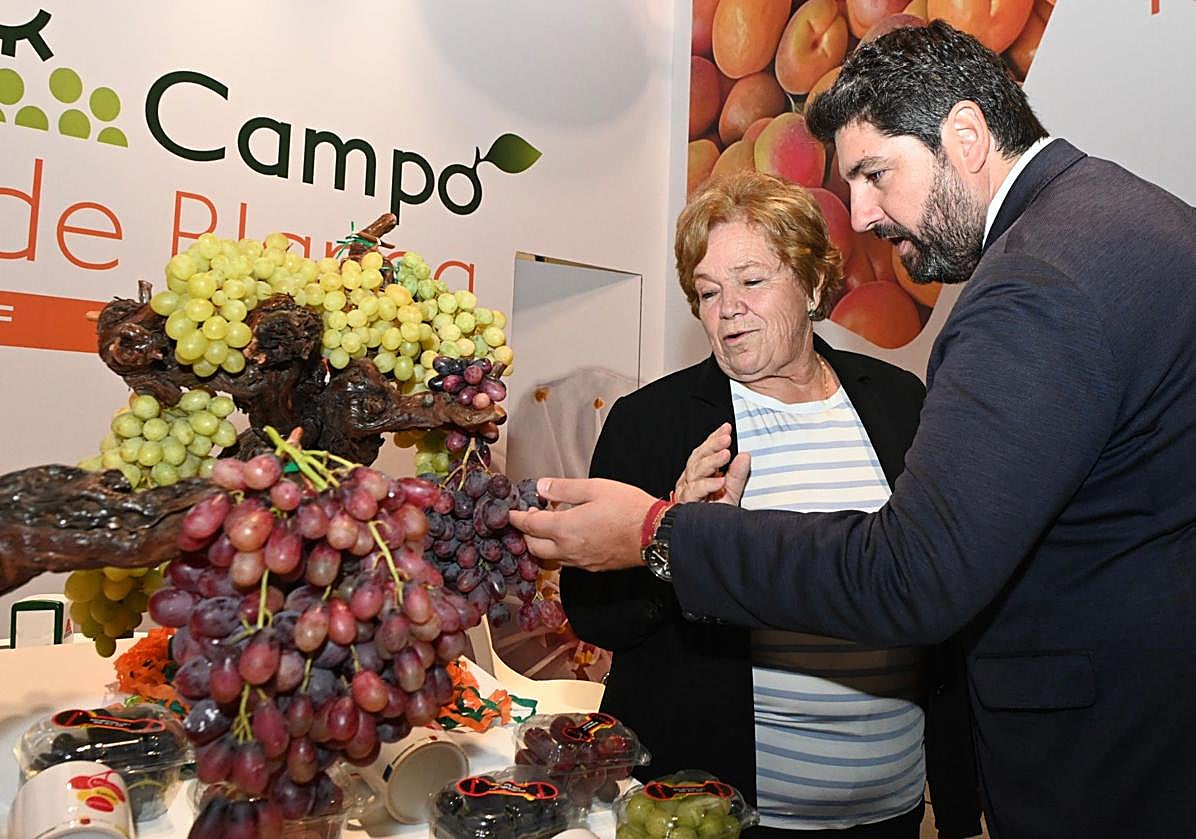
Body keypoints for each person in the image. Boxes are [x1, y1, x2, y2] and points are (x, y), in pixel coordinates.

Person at [511, 21, 1196, 839]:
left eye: (875, 172)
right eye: (706, 290)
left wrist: (664, 533)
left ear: (967, 135)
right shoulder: (1146, 221)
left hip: (1099, 768)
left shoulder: (1031, 286)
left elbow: (912, 576)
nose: (864, 213)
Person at [561, 171, 978, 837]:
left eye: (752, 281)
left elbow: (942, 577)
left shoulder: (902, 402)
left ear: (813, 286)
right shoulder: (653, 422)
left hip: (894, 806)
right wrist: (671, 530)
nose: (727, 308)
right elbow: (594, 615)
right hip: (723, 811)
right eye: (707, 292)